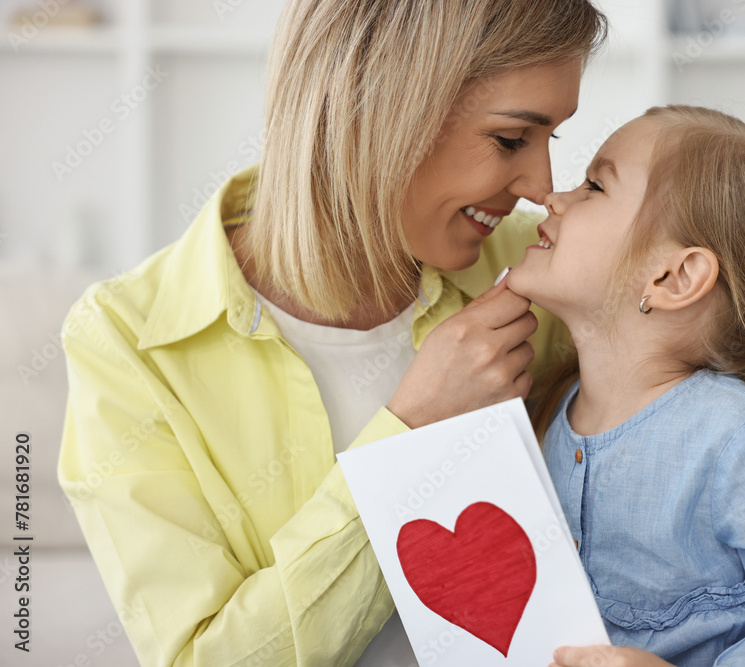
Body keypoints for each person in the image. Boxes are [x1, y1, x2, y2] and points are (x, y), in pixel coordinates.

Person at [56, 1, 606, 664]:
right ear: (370, 112)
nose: (541, 186)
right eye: (512, 139)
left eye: (555, 139)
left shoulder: (542, 271)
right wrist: (411, 432)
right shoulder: (124, 342)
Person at [505, 106, 745, 666]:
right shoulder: (546, 410)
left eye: (594, 185)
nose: (553, 198)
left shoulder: (741, 443)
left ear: (675, 277)